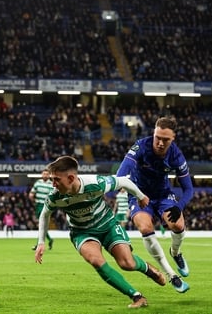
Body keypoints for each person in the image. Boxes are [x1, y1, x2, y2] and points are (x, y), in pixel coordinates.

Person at [34, 156, 167, 309]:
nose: (53, 184)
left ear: (71, 178)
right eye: (52, 179)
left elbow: (123, 181)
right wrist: (41, 243)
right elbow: (44, 214)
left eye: (56, 179)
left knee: (127, 263)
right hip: (82, 232)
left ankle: (149, 270)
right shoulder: (54, 196)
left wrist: (141, 196)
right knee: (96, 260)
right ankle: (137, 296)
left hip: (107, 225)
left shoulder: (96, 183)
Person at [116, 116, 191, 293]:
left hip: (163, 195)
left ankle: (176, 252)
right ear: (154, 133)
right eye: (158, 137)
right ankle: (172, 274)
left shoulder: (177, 156)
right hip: (139, 195)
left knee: (178, 225)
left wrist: (179, 206)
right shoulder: (141, 146)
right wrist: (133, 191)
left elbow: (188, 189)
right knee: (144, 227)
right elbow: (121, 173)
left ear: (173, 139)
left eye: (166, 140)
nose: (160, 143)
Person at [30, 169, 54, 250]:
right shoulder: (38, 183)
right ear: (41, 175)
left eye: (47, 174)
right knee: (42, 225)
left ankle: (38, 245)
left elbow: (52, 196)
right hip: (38, 206)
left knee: (41, 225)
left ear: (49, 175)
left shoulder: (51, 184)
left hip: (45, 206)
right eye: (44, 174)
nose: (45, 175)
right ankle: (50, 239)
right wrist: (32, 197)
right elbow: (32, 193)